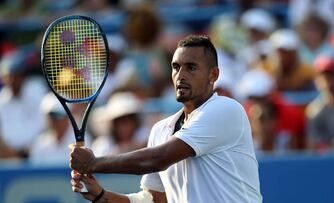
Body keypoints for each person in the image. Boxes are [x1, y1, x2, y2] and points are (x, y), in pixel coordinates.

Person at [70, 35, 262, 203]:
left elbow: (158, 159)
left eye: (191, 68)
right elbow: (155, 200)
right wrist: (100, 196)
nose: (181, 75)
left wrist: (94, 164)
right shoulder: (161, 130)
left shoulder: (226, 109)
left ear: (214, 74)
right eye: (176, 67)